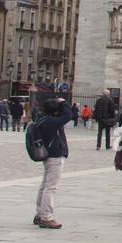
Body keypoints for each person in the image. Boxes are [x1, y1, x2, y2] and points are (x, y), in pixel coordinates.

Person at [31, 96, 73, 229]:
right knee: (51, 187)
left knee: (45, 185)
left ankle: (40, 213)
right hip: (55, 156)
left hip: (48, 156)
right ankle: (46, 217)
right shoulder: (52, 122)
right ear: (55, 111)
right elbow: (68, 115)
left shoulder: (43, 120)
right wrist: (64, 102)